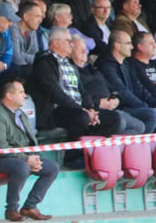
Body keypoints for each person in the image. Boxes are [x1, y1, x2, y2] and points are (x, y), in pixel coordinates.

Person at [28, 28, 121, 168]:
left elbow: (82, 91)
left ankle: (90, 153)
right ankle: (71, 158)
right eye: (68, 41)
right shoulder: (44, 62)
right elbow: (55, 92)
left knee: (114, 118)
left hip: (78, 109)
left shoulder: (69, 63)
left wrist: (90, 109)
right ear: (56, 43)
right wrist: (82, 110)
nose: (72, 44)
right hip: (54, 111)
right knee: (80, 118)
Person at [0, 79, 58, 222]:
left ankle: (29, 207)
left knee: (52, 167)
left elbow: (30, 140)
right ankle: (11, 209)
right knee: (22, 166)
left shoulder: (20, 114)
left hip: (19, 158)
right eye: (21, 92)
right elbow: (0, 147)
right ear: (9, 95)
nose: (25, 96)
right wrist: (26, 159)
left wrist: (35, 157)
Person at [94, 31, 156, 133]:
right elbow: (122, 91)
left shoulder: (126, 64)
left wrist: (153, 103)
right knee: (152, 114)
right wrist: (144, 106)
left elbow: (139, 89)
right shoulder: (106, 65)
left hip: (132, 107)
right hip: (120, 107)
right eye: (128, 43)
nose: (132, 47)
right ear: (117, 46)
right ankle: (142, 146)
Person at [9, 0, 47, 77]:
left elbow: (36, 55)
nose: (40, 20)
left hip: (26, 68)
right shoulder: (13, 28)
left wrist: (23, 55)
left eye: (41, 17)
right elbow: (16, 58)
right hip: (12, 69)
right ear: (26, 17)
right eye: (37, 16)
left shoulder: (32, 30)